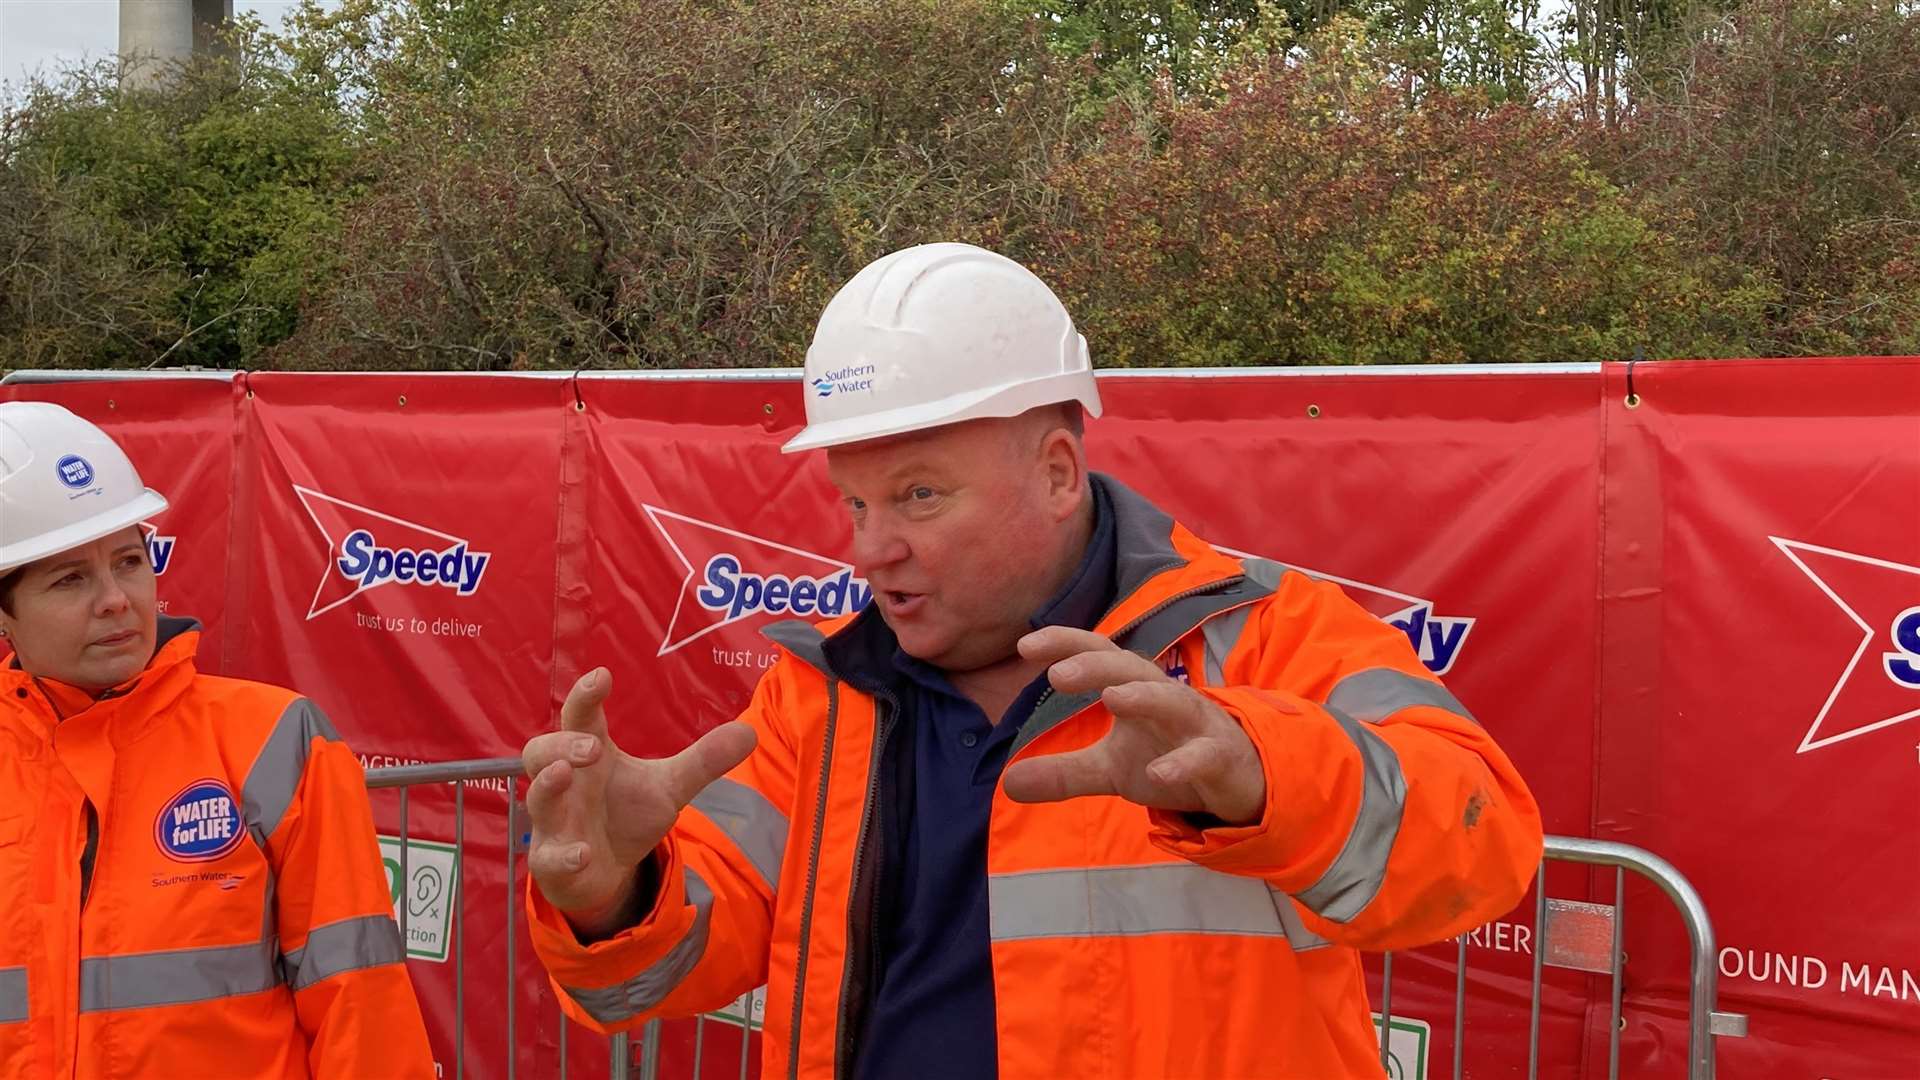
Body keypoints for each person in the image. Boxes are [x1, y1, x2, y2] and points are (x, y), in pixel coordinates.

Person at [521, 243, 1544, 1078]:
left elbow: (1485, 845)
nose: (872, 546)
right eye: (857, 503)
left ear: (1058, 472)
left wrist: (1255, 772)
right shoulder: (817, 700)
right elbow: (654, 978)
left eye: (920, 494)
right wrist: (615, 894)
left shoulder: (1258, 635)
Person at [0, 402, 435, 1078]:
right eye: (70, 579)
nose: (117, 598)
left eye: (128, 561)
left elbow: (360, 1001)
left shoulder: (271, 741)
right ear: (7, 612)